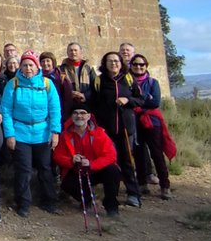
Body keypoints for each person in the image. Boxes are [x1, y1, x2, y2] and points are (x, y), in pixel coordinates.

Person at [0, 51, 63, 217]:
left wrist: (55, 132)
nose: (28, 68)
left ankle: (49, 201)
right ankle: (23, 203)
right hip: (20, 133)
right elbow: (6, 111)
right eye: (25, 65)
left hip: (42, 133)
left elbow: (55, 110)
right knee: (24, 170)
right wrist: (9, 135)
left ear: (37, 66)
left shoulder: (47, 84)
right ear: (20, 66)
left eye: (31, 65)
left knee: (45, 168)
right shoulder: (13, 84)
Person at [91, 51, 143, 207]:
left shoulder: (128, 79)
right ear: (104, 64)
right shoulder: (99, 81)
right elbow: (94, 103)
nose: (113, 63)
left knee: (127, 161)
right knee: (109, 162)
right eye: (110, 61)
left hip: (126, 128)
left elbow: (140, 99)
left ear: (121, 63)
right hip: (107, 129)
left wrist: (128, 100)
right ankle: (111, 195)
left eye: (116, 61)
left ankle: (133, 193)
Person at [53, 107, 122, 218]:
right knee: (66, 184)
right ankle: (87, 199)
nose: (79, 116)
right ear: (71, 117)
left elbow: (111, 155)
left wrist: (92, 164)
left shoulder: (99, 133)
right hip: (77, 171)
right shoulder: (65, 135)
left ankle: (111, 206)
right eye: (75, 113)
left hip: (95, 170)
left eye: (83, 113)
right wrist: (71, 160)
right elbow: (57, 156)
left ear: (89, 116)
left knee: (113, 170)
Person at [129, 54, 171, 200]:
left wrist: (136, 101)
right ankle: (142, 184)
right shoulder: (128, 82)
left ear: (146, 66)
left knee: (157, 153)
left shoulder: (153, 82)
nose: (138, 67)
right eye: (135, 64)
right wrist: (145, 98)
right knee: (139, 153)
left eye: (141, 65)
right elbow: (133, 100)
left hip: (152, 122)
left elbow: (155, 102)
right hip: (135, 122)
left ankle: (165, 186)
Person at [59, 42, 98, 110]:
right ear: (67, 53)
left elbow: (94, 85)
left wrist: (84, 96)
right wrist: (70, 93)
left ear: (80, 52)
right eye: (71, 50)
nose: (73, 52)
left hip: (86, 104)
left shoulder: (88, 68)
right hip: (69, 104)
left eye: (75, 50)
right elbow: (59, 85)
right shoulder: (61, 69)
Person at [39, 51, 74, 125]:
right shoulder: (37, 77)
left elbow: (67, 98)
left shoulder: (61, 77)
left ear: (53, 62)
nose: (45, 63)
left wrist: (65, 116)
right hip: (42, 114)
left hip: (58, 113)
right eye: (43, 61)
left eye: (48, 61)